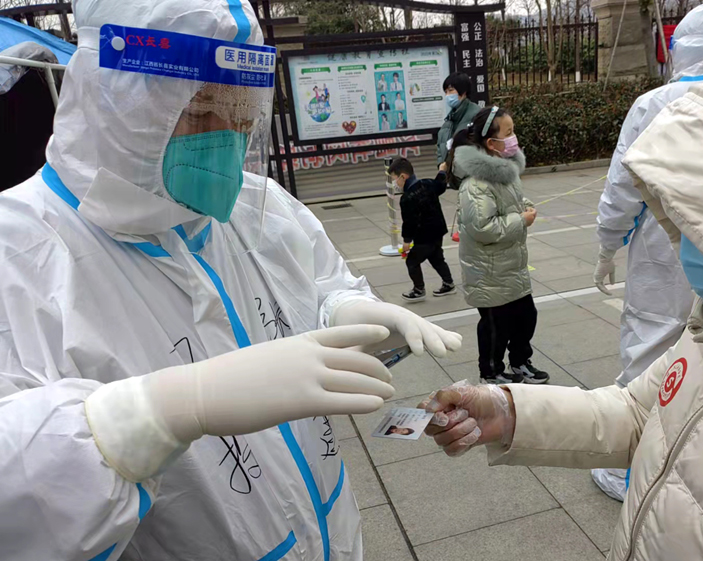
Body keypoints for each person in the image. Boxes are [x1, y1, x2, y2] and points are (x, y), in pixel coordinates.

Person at [423, 1, 703, 557]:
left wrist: (607, 243)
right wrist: (510, 412)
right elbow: (639, 411)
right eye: (688, 203)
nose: (692, 235)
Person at [0, 1, 463, 559]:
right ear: (119, 96)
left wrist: (342, 311)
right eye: (202, 108)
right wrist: (150, 415)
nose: (231, 131)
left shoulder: (255, 204)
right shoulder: (18, 251)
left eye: (242, 106)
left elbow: (313, 285)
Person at [590, 3, 703, 501]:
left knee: (649, 348)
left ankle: (633, 468)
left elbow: (623, 186)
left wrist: (607, 246)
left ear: (677, 49)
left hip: (662, 247)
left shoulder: (654, 105)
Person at [448, 107, 549, 385]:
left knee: (526, 317)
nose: (514, 138)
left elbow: (510, 203)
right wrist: (521, 220)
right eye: (509, 132)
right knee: (496, 328)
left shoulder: (505, 172)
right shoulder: (476, 184)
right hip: (489, 274)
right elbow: (483, 228)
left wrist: (524, 207)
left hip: (511, 267)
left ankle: (520, 362)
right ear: (491, 143)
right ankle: (491, 372)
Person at [391, 157, 456, 302]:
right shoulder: (427, 183)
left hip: (424, 236)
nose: (395, 183)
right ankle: (448, 283)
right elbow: (440, 185)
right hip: (438, 231)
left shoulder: (407, 198)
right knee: (436, 258)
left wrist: (406, 241)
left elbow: (409, 222)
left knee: (412, 262)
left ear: (403, 177)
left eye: (395, 179)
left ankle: (418, 289)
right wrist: (442, 171)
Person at [436, 72, 480, 167]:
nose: (447, 95)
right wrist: (441, 165)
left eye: (451, 91)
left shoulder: (476, 115)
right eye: (446, 92)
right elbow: (440, 148)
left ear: (463, 92)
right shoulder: (449, 119)